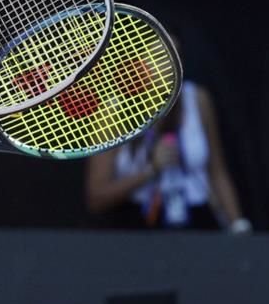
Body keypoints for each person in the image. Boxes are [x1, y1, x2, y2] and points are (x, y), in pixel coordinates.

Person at [84, 79, 252, 233]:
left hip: (196, 221)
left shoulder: (197, 99)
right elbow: (97, 198)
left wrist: (237, 224)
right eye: (158, 58)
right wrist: (151, 170)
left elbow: (216, 171)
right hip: (136, 227)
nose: (167, 67)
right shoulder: (113, 108)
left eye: (175, 56)